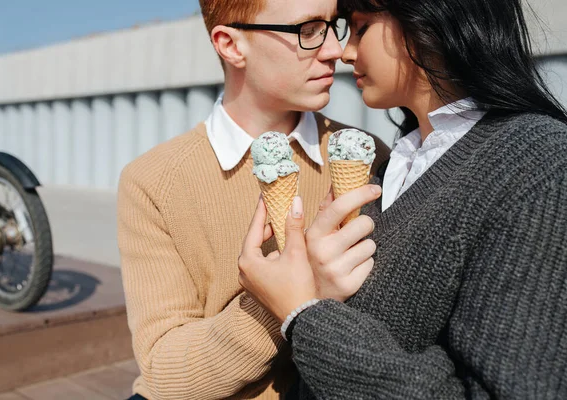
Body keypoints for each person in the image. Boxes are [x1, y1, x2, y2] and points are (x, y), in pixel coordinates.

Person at [238, 0, 567, 398]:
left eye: (361, 28)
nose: (345, 51)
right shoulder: (393, 161)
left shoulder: (538, 162)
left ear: (429, 18)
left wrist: (305, 314)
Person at [117, 0, 390, 398]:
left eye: (335, 25)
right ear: (230, 44)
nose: (335, 50)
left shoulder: (370, 155)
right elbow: (164, 371)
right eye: (309, 30)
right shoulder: (154, 182)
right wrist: (285, 298)